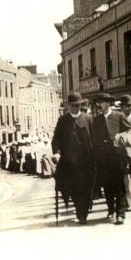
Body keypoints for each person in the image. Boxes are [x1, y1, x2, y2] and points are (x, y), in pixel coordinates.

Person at [52, 92, 94, 224]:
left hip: (86, 162)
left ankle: (83, 213)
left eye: (77, 105)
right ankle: (79, 211)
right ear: (68, 106)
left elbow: (94, 139)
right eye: (72, 105)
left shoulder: (88, 119)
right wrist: (57, 152)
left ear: (80, 105)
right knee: (74, 189)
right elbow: (56, 140)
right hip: (69, 163)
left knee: (86, 188)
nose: (75, 108)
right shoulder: (63, 120)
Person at [92, 92, 129, 225]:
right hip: (103, 159)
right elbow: (94, 140)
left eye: (101, 102)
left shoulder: (119, 116)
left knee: (120, 185)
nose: (98, 105)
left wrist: (121, 136)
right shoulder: (96, 120)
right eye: (98, 102)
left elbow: (128, 131)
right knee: (107, 186)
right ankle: (111, 210)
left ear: (107, 103)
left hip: (118, 157)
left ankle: (121, 213)